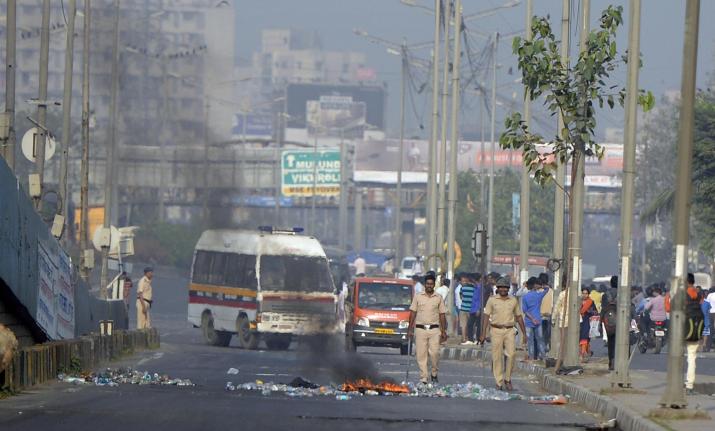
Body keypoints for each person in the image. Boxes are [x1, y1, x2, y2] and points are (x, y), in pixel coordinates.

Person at [480, 277, 527, 391]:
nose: (503, 289)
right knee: (497, 356)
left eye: (505, 287)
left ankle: (508, 378)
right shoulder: (492, 300)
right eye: (501, 287)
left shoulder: (513, 300)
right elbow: (486, 316)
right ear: (498, 288)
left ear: (508, 289)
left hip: (510, 330)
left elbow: (519, 316)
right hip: (496, 330)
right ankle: (499, 381)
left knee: (511, 354)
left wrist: (524, 333)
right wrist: (483, 333)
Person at [407, 272, 448, 385]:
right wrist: (409, 329)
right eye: (427, 284)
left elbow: (442, 315)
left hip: (434, 330)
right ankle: (423, 378)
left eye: (431, 284)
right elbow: (413, 312)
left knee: (434, 353)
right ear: (425, 285)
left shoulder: (438, 297)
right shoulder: (418, 296)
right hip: (420, 329)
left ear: (434, 285)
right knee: (421, 354)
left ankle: (434, 373)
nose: (429, 285)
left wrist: (444, 331)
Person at [685, 273, 705, 395]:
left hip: (681, 328)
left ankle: (676, 384)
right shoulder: (698, 294)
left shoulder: (681, 293)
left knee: (676, 356)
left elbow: (668, 308)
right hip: (695, 329)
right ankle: (689, 385)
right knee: (691, 358)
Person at [521, 277, 549, 361]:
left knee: (530, 341)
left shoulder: (525, 297)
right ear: (534, 285)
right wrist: (541, 286)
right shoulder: (539, 295)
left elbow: (525, 311)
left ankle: (532, 357)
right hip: (538, 320)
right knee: (540, 339)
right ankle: (543, 356)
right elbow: (547, 289)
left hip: (529, 321)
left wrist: (532, 319)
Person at [600, 276, 619, 370]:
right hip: (621, 320)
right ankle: (619, 362)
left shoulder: (605, 295)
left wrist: (601, 320)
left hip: (609, 321)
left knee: (611, 342)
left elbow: (603, 309)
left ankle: (611, 361)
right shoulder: (623, 294)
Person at [579, 287, 597, 362]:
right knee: (580, 337)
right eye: (583, 293)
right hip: (579, 321)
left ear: (588, 294)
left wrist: (590, 311)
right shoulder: (578, 301)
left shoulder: (591, 302)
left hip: (587, 321)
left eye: (586, 293)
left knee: (585, 337)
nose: (584, 295)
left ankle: (583, 354)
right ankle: (585, 352)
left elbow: (595, 311)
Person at [458, 274, 476, 345]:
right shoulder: (474, 288)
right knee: (471, 324)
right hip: (471, 309)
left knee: (463, 324)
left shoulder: (462, 288)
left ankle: (464, 338)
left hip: (463, 308)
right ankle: (470, 337)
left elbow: (461, 297)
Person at [538, 273, 554, 352]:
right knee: (547, 334)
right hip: (549, 315)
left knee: (539, 335)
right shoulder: (552, 291)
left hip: (539, 315)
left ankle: (541, 351)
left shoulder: (538, 292)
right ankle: (545, 347)